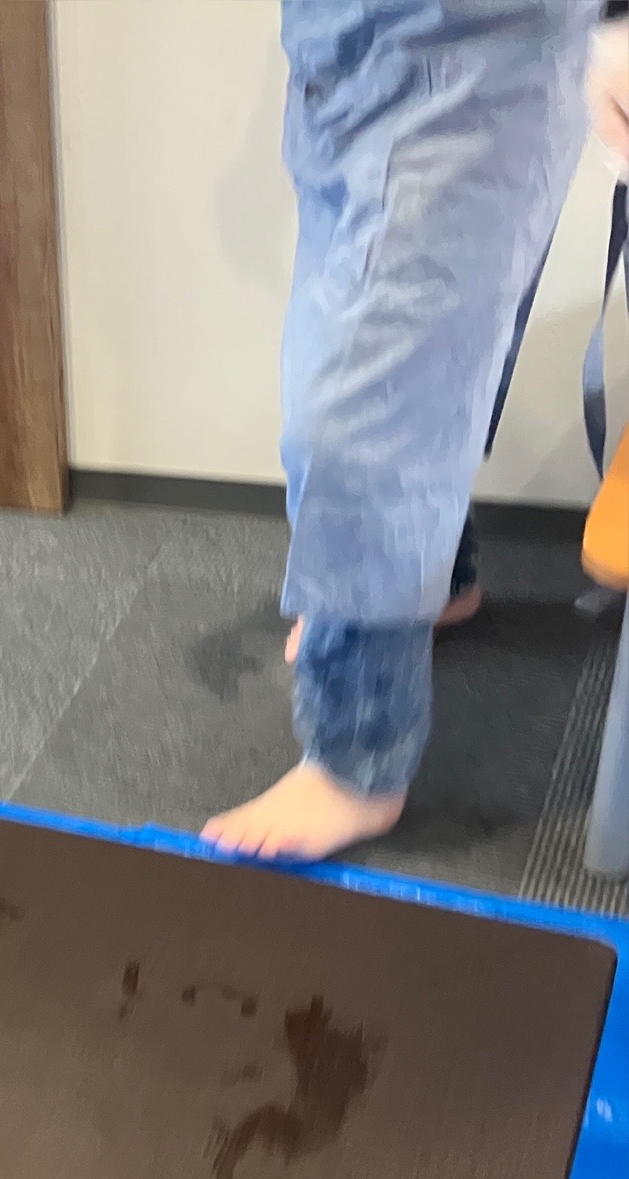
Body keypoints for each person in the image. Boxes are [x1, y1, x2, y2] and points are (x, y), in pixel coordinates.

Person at [202, 0, 598, 861]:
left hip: (479, 69)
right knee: (415, 369)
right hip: (348, 54)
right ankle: (431, 584)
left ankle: (359, 759)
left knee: (361, 419)